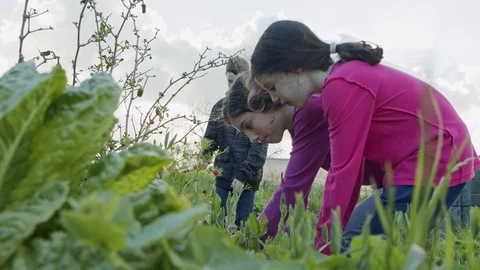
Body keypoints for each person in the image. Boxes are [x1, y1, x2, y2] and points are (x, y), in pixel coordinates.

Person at [246, 19, 480, 254]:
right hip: (430, 160)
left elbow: (343, 171)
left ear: (293, 69)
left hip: (438, 158)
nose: (274, 99)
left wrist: (323, 246)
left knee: (352, 244)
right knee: (359, 242)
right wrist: (326, 239)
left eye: (273, 87)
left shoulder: (342, 85)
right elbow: (352, 171)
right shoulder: (340, 82)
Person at [222, 72, 386, 251]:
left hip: (407, 178)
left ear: (264, 103)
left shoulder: (310, 109)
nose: (251, 138)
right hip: (388, 184)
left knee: (343, 242)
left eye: (249, 125)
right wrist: (283, 243)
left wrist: (248, 244)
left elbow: (292, 189)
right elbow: (299, 195)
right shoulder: (298, 120)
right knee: (349, 239)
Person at [202, 56, 268, 231]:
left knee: (243, 225)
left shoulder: (256, 106)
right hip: (223, 174)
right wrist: (202, 161)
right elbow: (210, 140)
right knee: (217, 221)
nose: (231, 85)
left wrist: (243, 176)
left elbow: (259, 149)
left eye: (236, 80)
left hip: (247, 178)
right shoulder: (219, 107)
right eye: (229, 80)